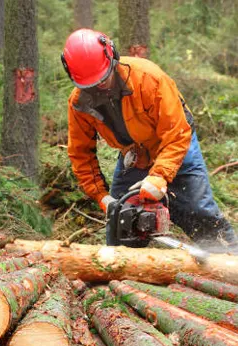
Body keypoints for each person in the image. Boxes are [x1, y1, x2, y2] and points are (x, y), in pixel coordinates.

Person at [61, 28, 236, 251]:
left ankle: (229, 261)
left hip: (174, 144)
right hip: (134, 155)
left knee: (199, 211)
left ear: (112, 57)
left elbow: (176, 133)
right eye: (90, 85)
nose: (98, 88)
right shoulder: (79, 103)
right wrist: (102, 196)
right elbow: (80, 153)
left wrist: (159, 177)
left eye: (102, 80)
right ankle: (123, 277)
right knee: (120, 220)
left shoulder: (148, 79)